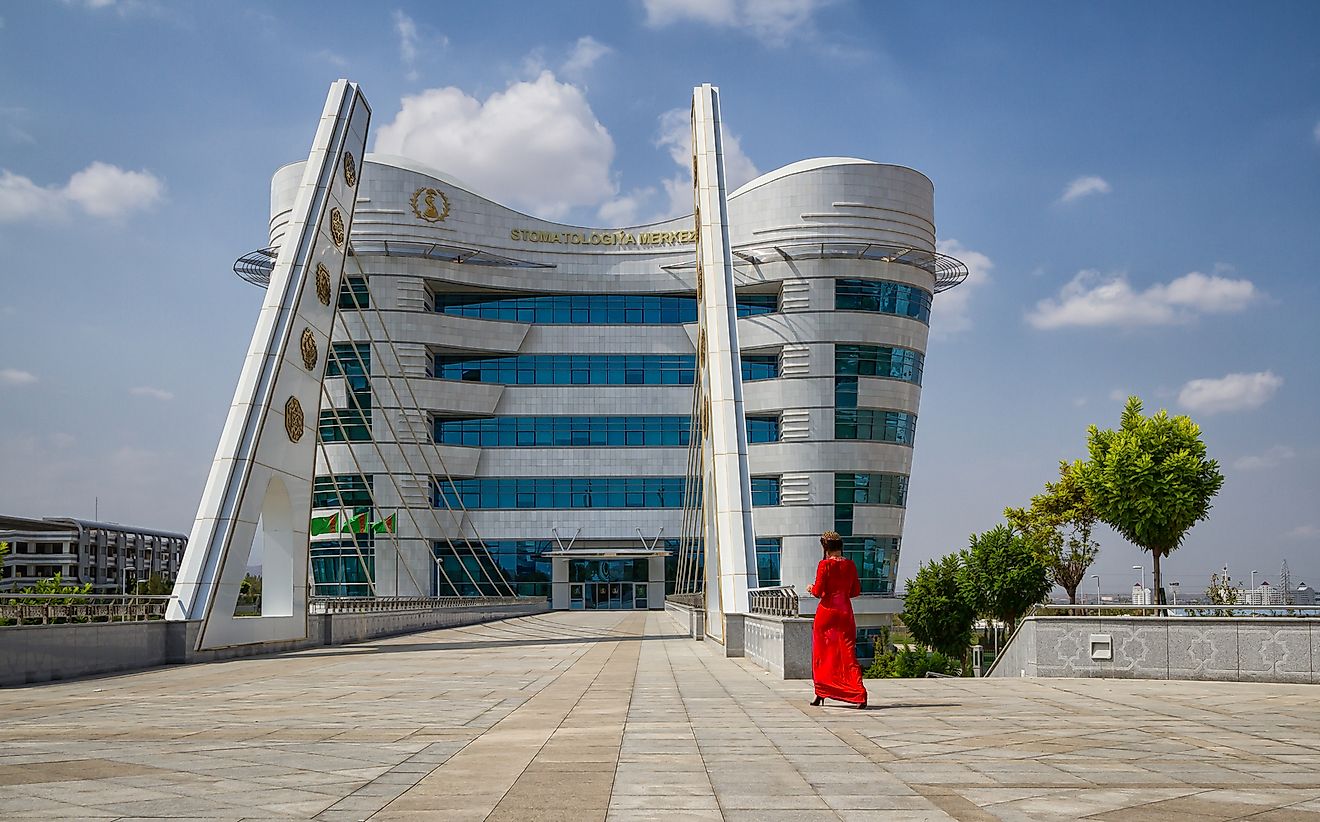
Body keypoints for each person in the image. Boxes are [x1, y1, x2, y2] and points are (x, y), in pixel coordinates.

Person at [807, 530, 868, 708]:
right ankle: (859, 693)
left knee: (823, 654)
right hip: (845, 613)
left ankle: (821, 692)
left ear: (826, 548)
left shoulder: (824, 565)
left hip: (827, 613)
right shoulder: (850, 565)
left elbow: (818, 592)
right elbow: (855, 591)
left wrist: (810, 588)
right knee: (848, 653)